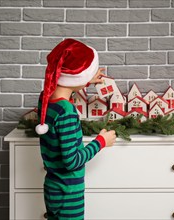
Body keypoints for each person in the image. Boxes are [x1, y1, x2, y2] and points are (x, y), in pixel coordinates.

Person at [36, 38, 117, 219]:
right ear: (76, 77)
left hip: (53, 188)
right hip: (68, 192)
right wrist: (101, 142)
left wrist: (86, 81)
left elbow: (65, 86)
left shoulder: (46, 98)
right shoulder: (67, 113)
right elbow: (72, 161)